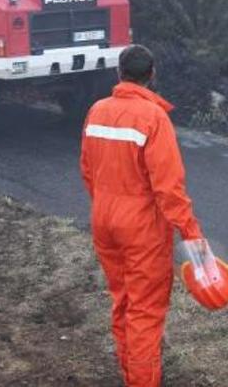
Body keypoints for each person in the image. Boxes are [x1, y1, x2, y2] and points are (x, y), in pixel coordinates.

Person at [80, 44, 204, 386]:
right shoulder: (153, 118)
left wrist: (105, 204)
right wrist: (191, 233)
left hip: (104, 220)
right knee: (145, 311)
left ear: (119, 73)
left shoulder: (97, 111)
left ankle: (130, 370)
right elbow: (168, 187)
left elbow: (87, 169)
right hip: (141, 229)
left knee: (122, 299)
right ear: (152, 75)